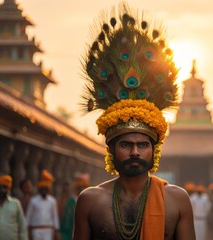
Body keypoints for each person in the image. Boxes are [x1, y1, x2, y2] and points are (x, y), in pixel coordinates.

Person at [73, 3, 195, 240]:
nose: (135, 152)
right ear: (110, 149)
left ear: (154, 148)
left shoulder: (177, 199)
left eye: (142, 145)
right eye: (126, 145)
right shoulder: (90, 200)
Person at [26, 170, 60, 240]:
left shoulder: (52, 201)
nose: (44, 191)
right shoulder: (33, 200)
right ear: (39, 189)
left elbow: (55, 216)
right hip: (36, 230)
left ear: (48, 190)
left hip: (48, 230)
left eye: (46, 189)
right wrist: (27, 230)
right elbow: (28, 216)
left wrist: (56, 231)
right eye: (42, 189)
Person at [60, 174, 90, 240]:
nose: (81, 190)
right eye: (80, 188)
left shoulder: (88, 202)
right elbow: (66, 221)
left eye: (83, 188)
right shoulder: (71, 201)